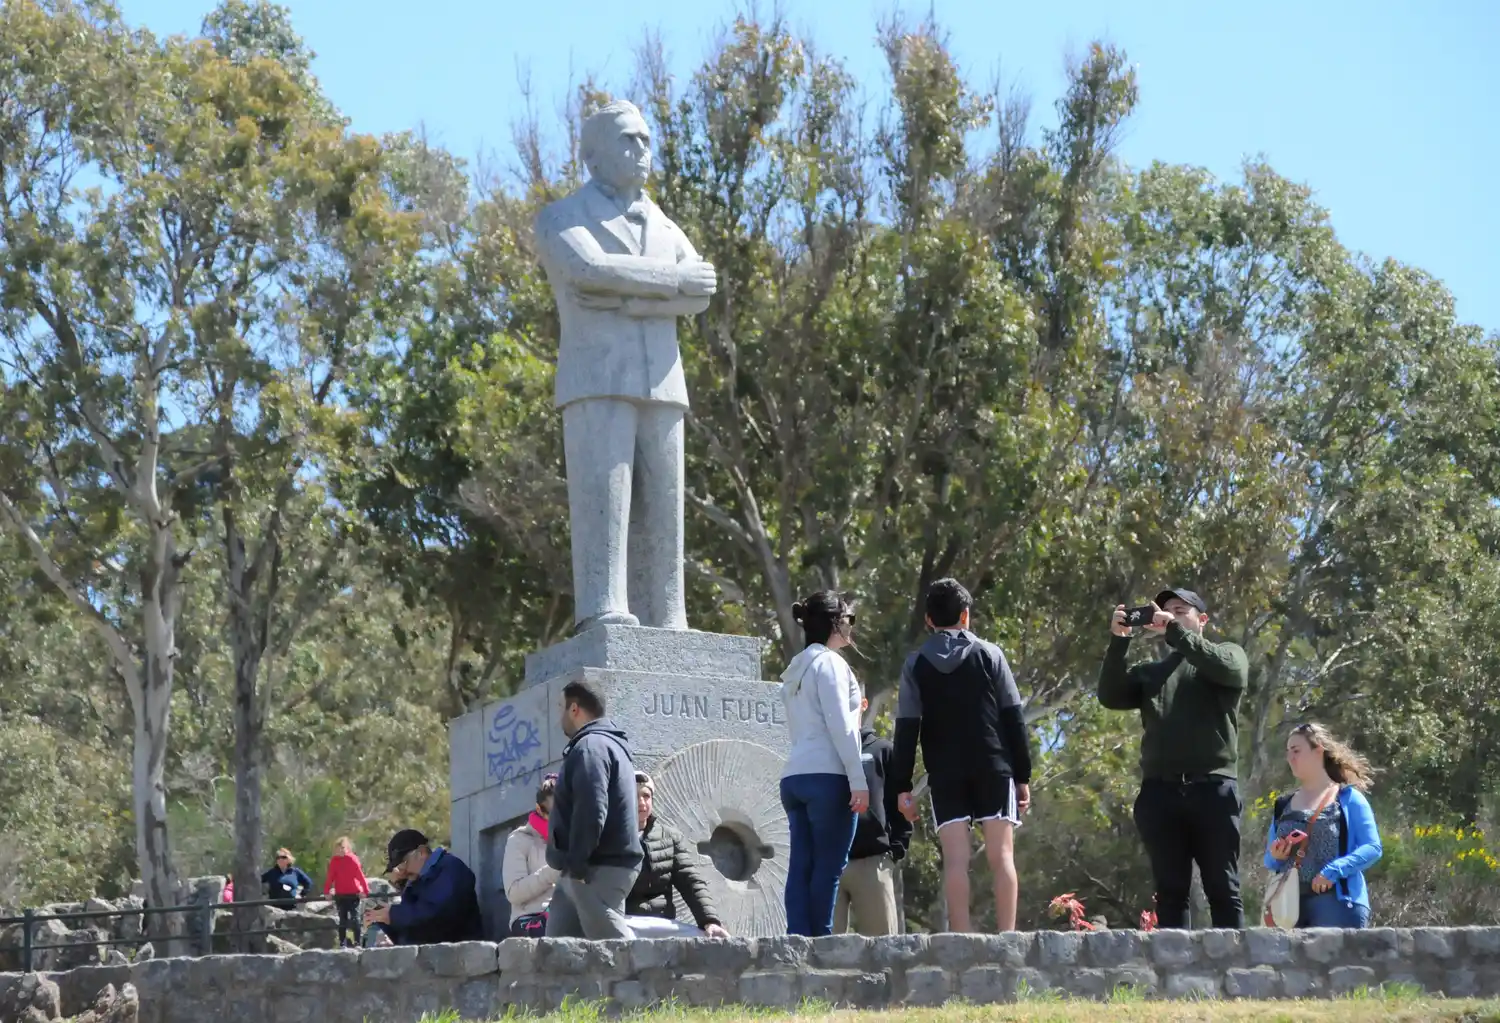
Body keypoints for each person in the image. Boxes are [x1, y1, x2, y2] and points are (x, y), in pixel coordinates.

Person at [533, 99, 717, 633]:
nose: (641, 150)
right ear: (593, 157)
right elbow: (589, 270)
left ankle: (668, 614)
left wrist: (634, 298)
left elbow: (701, 288)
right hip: (596, 380)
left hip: (663, 379)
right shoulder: (562, 217)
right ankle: (603, 608)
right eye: (627, 140)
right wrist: (669, 286)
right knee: (604, 503)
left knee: (666, 508)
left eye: (645, 139)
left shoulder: (663, 222)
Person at [1098, 587, 1249, 929]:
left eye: (1181, 611)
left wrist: (1175, 632)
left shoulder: (1227, 654)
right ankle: (1174, 977)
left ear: (1202, 620)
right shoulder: (1152, 673)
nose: (1171, 616)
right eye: (1165, 611)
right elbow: (1110, 695)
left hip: (1213, 788)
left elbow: (1232, 672)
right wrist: (1119, 640)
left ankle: (1235, 973)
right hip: (1160, 793)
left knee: (1222, 887)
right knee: (1170, 891)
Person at [891, 578, 1033, 933]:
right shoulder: (990, 654)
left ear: (928, 620)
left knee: (956, 860)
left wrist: (901, 787)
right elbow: (1013, 719)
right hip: (994, 765)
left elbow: (906, 728)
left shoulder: (915, 664)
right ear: (966, 616)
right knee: (1002, 857)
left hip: (945, 772)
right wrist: (1023, 777)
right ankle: (1008, 938)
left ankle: (963, 940)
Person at [778, 591, 869, 937]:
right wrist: (857, 780)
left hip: (795, 776)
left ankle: (797, 940)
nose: (851, 626)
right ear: (836, 622)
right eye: (849, 619)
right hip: (827, 776)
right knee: (829, 867)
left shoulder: (795, 669)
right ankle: (820, 943)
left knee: (801, 865)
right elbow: (840, 727)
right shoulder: (831, 663)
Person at [545, 680, 644, 939]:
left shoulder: (591, 747)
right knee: (557, 958)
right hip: (581, 870)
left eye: (561, 708)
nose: (560, 718)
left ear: (574, 709)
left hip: (595, 870)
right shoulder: (606, 745)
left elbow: (591, 811)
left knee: (620, 954)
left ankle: (659, 981)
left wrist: (577, 865)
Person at [1264, 723, 1383, 928]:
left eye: (1296, 751)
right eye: (1288, 752)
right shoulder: (1283, 805)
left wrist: (1334, 870)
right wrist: (1277, 856)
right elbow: (1269, 860)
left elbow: (1372, 848)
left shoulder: (1348, 798)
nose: (1290, 758)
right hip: (1288, 907)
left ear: (1318, 750)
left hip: (1336, 903)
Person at [836, 683, 912, 936]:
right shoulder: (823, 752)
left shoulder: (883, 750)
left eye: (850, 697)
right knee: (824, 956)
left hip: (873, 864)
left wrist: (894, 851)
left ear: (864, 703)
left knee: (884, 954)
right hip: (830, 864)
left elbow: (901, 804)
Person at [625, 771, 729, 938]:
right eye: (634, 795)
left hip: (662, 923)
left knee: (706, 940)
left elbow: (691, 881)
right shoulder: (611, 838)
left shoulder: (670, 837)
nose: (641, 802)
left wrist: (709, 921)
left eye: (646, 796)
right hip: (625, 921)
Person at [362, 829, 482, 945]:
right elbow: (413, 926)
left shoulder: (451, 868)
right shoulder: (415, 882)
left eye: (404, 863)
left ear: (422, 852)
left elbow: (439, 917)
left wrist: (394, 915)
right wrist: (386, 927)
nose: (402, 871)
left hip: (460, 955)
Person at [503, 774, 561, 937]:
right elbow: (514, 893)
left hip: (567, 913)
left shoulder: (572, 837)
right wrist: (552, 872)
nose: (560, 821)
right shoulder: (519, 839)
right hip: (532, 918)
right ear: (539, 810)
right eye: (554, 814)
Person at [323, 836, 371, 948]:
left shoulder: (352, 859)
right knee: (342, 920)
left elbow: (360, 876)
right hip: (340, 894)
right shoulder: (334, 861)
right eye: (338, 848)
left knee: (355, 919)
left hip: (353, 893)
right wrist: (326, 892)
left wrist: (365, 890)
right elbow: (330, 877)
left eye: (343, 848)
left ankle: (357, 943)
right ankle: (342, 943)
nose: (340, 850)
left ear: (347, 848)